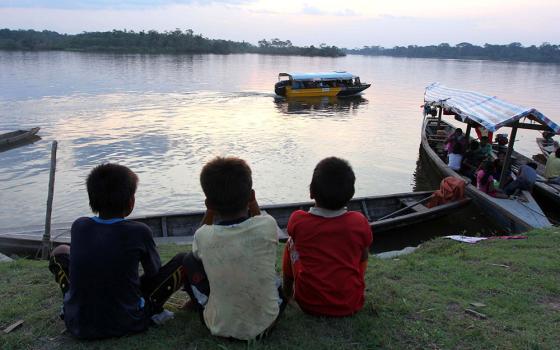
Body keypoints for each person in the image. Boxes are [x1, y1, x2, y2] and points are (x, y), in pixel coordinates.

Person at [48, 164, 187, 339]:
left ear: (91, 200)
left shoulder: (79, 226)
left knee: (60, 251)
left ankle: (71, 304)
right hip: (129, 322)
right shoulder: (139, 231)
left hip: (77, 323)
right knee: (183, 259)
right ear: (131, 202)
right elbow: (153, 272)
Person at [186, 156, 285, 341]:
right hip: (268, 323)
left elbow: (197, 244)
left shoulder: (203, 236)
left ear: (209, 204)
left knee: (188, 260)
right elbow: (259, 218)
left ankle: (199, 302)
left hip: (219, 326)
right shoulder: (268, 225)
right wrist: (253, 202)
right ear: (251, 197)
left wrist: (210, 210)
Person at [282, 157, 372, 317]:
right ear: (350, 195)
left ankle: (288, 294)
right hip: (351, 303)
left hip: (308, 303)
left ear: (311, 192)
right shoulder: (359, 222)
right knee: (362, 249)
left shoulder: (298, 220)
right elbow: (363, 255)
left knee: (290, 243)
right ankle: (355, 287)